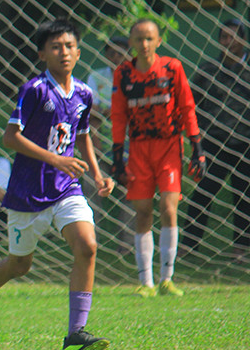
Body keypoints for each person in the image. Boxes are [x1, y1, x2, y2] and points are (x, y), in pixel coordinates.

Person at [0, 19, 115, 350]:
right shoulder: (35, 90)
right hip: (28, 194)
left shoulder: (84, 93)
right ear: (43, 54)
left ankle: (76, 333)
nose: (64, 52)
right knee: (19, 265)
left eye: (70, 46)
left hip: (66, 189)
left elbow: (82, 134)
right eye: (56, 47)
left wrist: (98, 175)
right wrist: (56, 160)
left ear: (78, 50)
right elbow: (10, 137)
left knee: (87, 246)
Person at [110, 19, 203, 297]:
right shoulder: (123, 74)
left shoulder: (172, 68)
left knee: (168, 206)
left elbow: (187, 107)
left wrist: (197, 146)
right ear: (131, 44)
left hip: (169, 147)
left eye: (149, 38)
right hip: (138, 149)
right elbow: (117, 115)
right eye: (139, 39)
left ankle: (167, 278)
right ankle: (146, 282)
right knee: (142, 211)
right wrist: (117, 155)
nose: (144, 44)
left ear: (159, 41)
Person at [181, 18, 250, 262]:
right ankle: (189, 246)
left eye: (233, 37)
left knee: (244, 196)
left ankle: (241, 248)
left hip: (246, 145)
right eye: (224, 37)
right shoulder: (208, 70)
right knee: (203, 193)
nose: (228, 42)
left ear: (243, 40)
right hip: (215, 143)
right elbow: (190, 103)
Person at [85, 35, 134, 252]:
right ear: (106, 55)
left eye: (121, 51)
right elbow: (88, 110)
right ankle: (88, 240)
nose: (116, 56)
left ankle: (128, 244)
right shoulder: (97, 77)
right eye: (112, 52)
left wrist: (109, 112)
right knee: (90, 188)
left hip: (131, 148)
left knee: (131, 194)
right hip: (102, 145)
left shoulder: (136, 76)